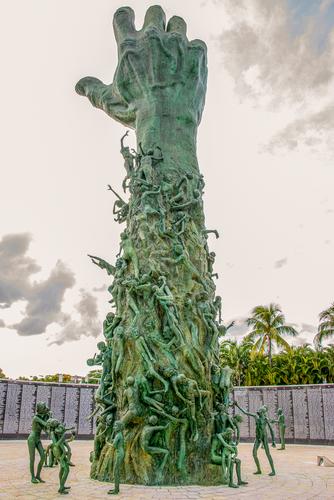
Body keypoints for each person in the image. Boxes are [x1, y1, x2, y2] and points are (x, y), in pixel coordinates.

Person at [234, 402, 276, 476]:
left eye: (260, 410)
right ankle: (259, 469)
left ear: (263, 412)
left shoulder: (266, 419)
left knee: (268, 454)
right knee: (254, 453)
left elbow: (271, 430)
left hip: (264, 437)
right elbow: (245, 412)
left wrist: (273, 441)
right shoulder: (256, 417)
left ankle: (273, 471)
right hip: (258, 437)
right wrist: (237, 405)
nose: (258, 411)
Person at [27, 402, 50, 483]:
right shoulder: (36, 418)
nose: (46, 408)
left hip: (38, 439)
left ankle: (38, 475)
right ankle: (33, 477)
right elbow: (45, 424)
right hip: (32, 439)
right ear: (40, 409)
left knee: (43, 457)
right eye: (44, 408)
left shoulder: (42, 417)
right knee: (32, 459)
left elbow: (46, 429)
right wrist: (49, 417)